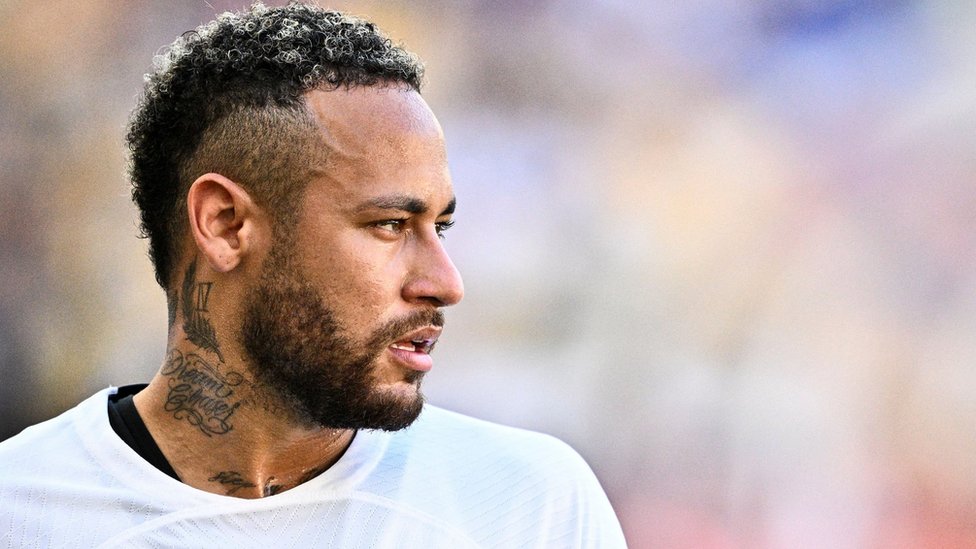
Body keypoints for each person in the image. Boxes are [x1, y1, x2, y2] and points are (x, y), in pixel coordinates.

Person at [0, 3, 626, 547]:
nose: (445, 283)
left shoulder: (527, 506)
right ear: (224, 225)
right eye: (388, 224)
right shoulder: (20, 509)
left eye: (442, 227)